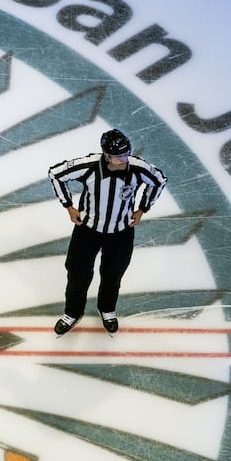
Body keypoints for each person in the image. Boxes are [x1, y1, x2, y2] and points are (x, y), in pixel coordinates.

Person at [47, 128, 167, 336]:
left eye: (125, 154)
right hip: (87, 231)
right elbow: (56, 174)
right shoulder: (90, 166)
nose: (123, 160)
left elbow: (159, 180)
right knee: (78, 275)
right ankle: (72, 312)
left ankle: (107, 309)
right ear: (106, 154)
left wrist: (142, 208)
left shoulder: (137, 167)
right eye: (118, 156)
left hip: (121, 233)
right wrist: (69, 206)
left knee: (113, 275)